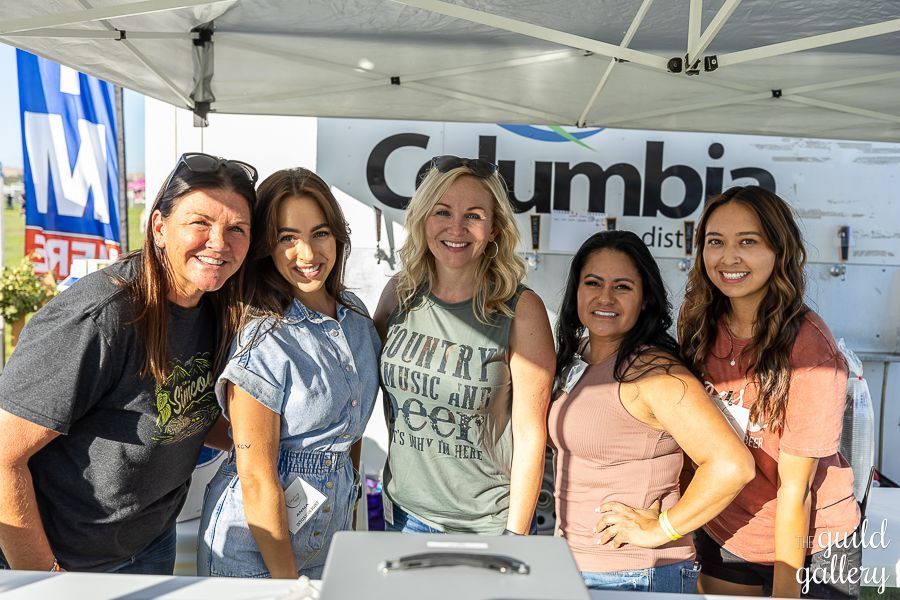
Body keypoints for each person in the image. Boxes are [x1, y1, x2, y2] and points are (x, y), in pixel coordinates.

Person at [0, 152, 256, 574]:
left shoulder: (217, 305)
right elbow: (5, 457)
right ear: (159, 226)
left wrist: (270, 448)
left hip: (152, 540)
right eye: (200, 223)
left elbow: (177, 414)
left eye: (237, 229)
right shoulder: (100, 316)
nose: (219, 243)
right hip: (68, 559)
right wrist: (45, 581)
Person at [678, 186, 861, 599]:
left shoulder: (811, 351)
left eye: (748, 242)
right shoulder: (696, 319)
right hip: (729, 528)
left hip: (812, 543)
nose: (728, 258)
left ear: (780, 250)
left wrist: (785, 592)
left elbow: (795, 493)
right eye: (715, 242)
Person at [197, 168, 380, 579]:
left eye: (320, 233)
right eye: (287, 238)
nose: (308, 254)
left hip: (327, 539)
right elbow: (258, 479)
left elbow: (349, 437)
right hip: (254, 551)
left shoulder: (355, 318)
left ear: (338, 236)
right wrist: (288, 586)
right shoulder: (265, 339)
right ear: (266, 247)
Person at [550, 230, 754, 593]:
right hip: (570, 564)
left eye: (623, 287)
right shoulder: (578, 354)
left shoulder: (654, 374)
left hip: (632, 575)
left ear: (645, 299)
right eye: (592, 282)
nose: (605, 297)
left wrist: (663, 529)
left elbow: (731, 465)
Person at [373, 155, 554, 535]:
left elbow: (531, 436)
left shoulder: (520, 310)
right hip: (403, 517)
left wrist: (514, 538)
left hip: (486, 527)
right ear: (423, 219)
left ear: (494, 230)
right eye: (442, 212)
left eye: (473, 215)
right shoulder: (399, 294)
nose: (456, 228)